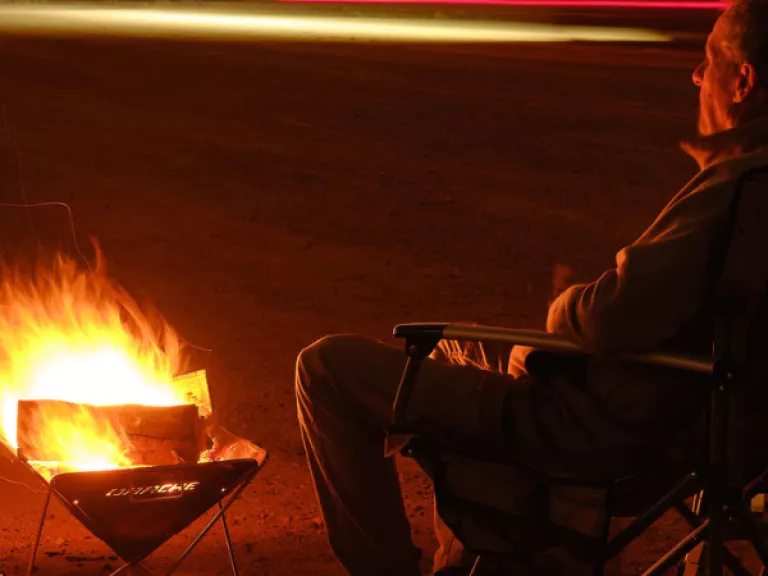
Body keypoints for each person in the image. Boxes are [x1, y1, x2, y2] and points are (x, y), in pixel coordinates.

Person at [296, 2, 768, 574]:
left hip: (602, 429)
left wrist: (564, 307)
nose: (696, 76)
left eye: (708, 58)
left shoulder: (738, 185)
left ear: (742, 81)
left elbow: (610, 317)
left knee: (325, 369)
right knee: (458, 351)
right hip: (698, 422)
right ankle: (482, 559)